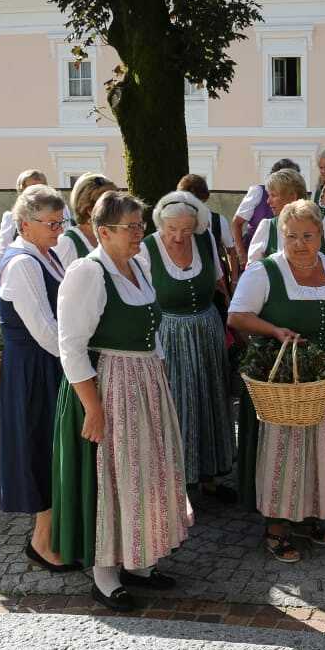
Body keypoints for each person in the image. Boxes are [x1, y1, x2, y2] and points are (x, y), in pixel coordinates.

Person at [52, 191, 192, 612]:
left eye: (140, 225)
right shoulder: (88, 273)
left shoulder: (139, 266)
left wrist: (158, 370)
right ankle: (105, 574)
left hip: (145, 382)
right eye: (131, 227)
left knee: (148, 470)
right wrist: (93, 406)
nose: (139, 233)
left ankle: (139, 559)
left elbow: (152, 331)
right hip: (109, 385)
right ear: (103, 231)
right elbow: (71, 347)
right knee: (113, 476)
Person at [228, 200, 325, 563]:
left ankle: (312, 514)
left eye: (307, 236)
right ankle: (277, 526)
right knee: (286, 450)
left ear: (320, 234)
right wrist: (274, 330)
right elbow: (237, 316)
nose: (299, 243)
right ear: (281, 235)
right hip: (287, 378)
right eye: (291, 236)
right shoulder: (264, 272)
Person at [0, 185, 77, 572]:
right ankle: (41, 542)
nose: (59, 230)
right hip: (34, 367)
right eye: (52, 224)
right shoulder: (23, 264)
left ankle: (56, 533)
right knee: (41, 447)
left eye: (62, 222)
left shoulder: (46, 253)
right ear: (25, 224)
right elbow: (45, 331)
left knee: (52, 447)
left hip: (47, 362)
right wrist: (81, 357)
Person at [139, 190, 237, 503]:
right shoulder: (146, 249)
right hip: (169, 334)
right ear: (160, 224)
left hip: (207, 331)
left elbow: (220, 282)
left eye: (186, 229)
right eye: (172, 229)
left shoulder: (205, 240)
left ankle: (210, 476)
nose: (179, 236)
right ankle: (176, 483)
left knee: (212, 400)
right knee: (178, 404)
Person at [245, 168, 325, 286]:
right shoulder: (267, 226)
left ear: (292, 196)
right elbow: (251, 273)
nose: (268, 201)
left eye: (273, 195)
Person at [177, 172, 238, 294]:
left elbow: (231, 251)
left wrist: (234, 281)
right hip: (185, 277)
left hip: (215, 279)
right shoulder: (174, 223)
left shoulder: (218, 221)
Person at [0, 169, 73, 267]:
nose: (37, 193)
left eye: (41, 188)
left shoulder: (61, 210)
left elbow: (65, 234)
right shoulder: (10, 217)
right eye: (32, 189)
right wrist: (2, 267)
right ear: (21, 192)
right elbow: (3, 250)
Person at [231, 157, 301, 255]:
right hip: (253, 252)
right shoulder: (258, 192)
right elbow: (237, 223)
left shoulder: (299, 201)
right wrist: (242, 255)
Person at [54, 173, 117, 268]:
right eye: (110, 206)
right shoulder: (68, 242)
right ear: (90, 210)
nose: (118, 211)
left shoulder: (115, 236)